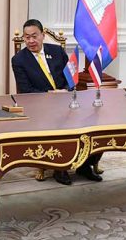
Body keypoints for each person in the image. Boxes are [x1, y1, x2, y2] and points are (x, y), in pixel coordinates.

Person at [11, 19, 102, 185]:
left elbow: (71, 77)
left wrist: (65, 91)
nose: (30, 41)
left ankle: (85, 164)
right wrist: (50, 94)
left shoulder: (57, 51)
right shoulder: (19, 59)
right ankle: (60, 167)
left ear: (42, 35)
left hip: (66, 99)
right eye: (27, 37)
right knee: (59, 125)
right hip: (40, 105)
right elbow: (25, 90)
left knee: (93, 122)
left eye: (34, 36)